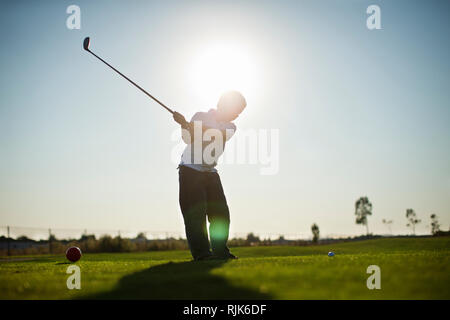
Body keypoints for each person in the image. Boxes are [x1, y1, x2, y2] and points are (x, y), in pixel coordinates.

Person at [172, 91, 246, 261]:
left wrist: (194, 126)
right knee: (195, 216)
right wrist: (184, 125)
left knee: (221, 214)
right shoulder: (200, 116)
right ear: (223, 104)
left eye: (240, 112)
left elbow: (216, 135)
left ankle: (220, 251)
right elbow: (188, 139)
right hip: (190, 170)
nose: (237, 114)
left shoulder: (230, 126)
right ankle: (202, 254)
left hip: (210, 172)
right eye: (236, 109)